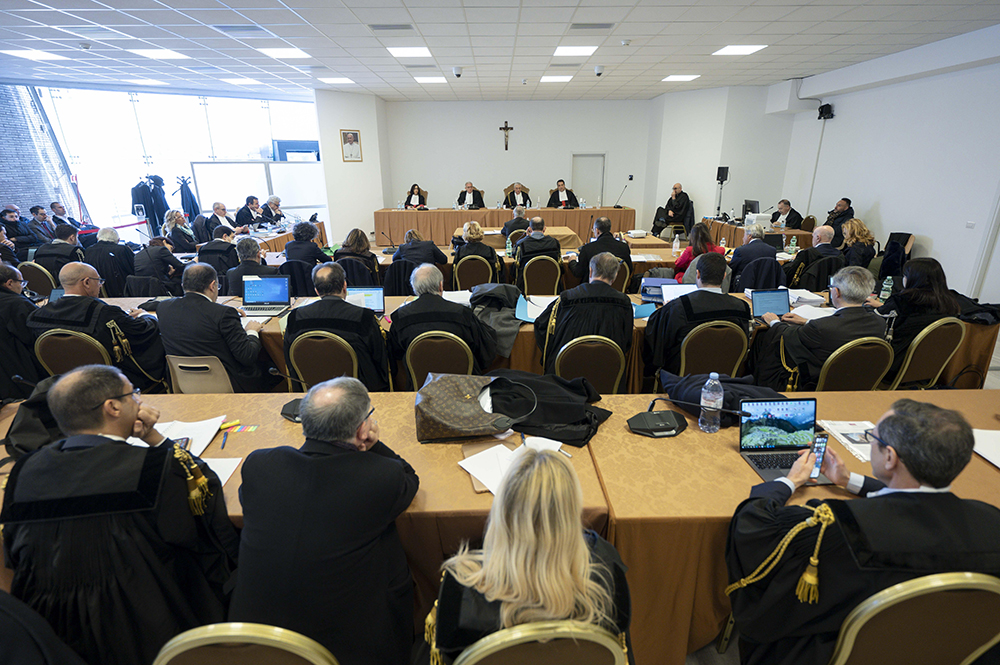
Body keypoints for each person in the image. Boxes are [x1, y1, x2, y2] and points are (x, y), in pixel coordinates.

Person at [726, 399, 1000, 665]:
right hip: (954, 652)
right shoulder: (991, 521)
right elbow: (914, 501)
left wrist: (789, 481)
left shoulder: (837, 527)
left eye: (874, 438)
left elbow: (754, 527)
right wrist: (849, 481)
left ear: (890, 457)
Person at [0, 365, 240, 665]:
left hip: (53, 632)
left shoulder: (24, 470)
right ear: (112, 407)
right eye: (133, 395)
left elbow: (13, 554)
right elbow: (204, 518)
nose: (138, 401)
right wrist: (154, 438)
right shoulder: (155, 468)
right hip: (143, 625)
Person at [229, 377, 417, 665]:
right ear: (362, 429)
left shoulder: (260, 464)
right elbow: (408, 478)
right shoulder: (381, 477)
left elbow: (249, 501)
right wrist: (373, 445)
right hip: (345, 650)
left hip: (255, 645)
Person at [429, 448, 631, 664]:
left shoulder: (460, 587)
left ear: (503, 511)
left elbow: (445, 657)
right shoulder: (607, 572)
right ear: (570, 513)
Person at [27, 262, 166, 390]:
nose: (100, 285)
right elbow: (143, 332)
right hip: (111, 382)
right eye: (99, 281)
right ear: (87, 282)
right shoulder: (104, 313)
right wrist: (145, 315)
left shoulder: (38, 315)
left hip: (66, 385)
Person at [748, 267, 888, 391]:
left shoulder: (822, 328)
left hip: (817, 385)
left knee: (765, 339)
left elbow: (789, 335)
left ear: (836, 292)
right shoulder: (879, 322)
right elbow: (844, 328)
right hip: (859, 384)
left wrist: (774, 322)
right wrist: (806, 321)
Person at [156, 263, 271, 392]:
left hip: (183, 384)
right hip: (230, 384)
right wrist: (251, 331)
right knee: (269, 366)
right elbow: (247, 356)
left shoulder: (163, 308)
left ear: (183, 286)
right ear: (212, 286)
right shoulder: (224, 314)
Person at [283, 263, 390, 392]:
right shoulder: (364, 317)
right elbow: (380, 360)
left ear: (316, 290)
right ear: (345, 286)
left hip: (312, 389)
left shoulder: (295, 317)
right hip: (358, 390)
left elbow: (290, 360)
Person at [387, 264, 498, 383]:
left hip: (419, 386)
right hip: (463, 385)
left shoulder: (400, 317)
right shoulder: (462, 314)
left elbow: (396, 354)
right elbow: (484, 350)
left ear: (414, 288)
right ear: (441, 285)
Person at [644, 252, 750, 375]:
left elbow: (656, 347)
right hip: (726, 376)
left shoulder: (679, 307)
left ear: (698, 273)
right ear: (724, 276)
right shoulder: (741, 308)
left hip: (682, 377)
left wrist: (665, 309)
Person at [534, 252, 633, 374]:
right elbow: (627, 342)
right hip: (607, 372)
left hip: (565, 373)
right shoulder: (624, 303)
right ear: (615, 275)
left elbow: (542, 328)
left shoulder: (566, 298)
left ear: (590, 271)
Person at [866, 257, 962, 383]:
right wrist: (885, 307)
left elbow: (874, 321)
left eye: (904, 276)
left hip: (892, 367)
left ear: (913, 278)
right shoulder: (950, 303)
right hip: (926, 369)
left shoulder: (903, 301)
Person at [0, 264, 45, 400]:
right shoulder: (17, 304)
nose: (22, 287)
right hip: (17, 371)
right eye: (21, 283)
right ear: (9, 283)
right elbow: (34, 336)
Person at [566, 216, 632, 283]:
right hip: (616, 289)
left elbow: (578, 273)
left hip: (592, 291)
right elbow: (629, 270)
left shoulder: (588, 248)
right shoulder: (624, 247)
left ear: (597, 231)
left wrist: (572, 261)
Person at [513, 217, 562, 291]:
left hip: (526, 287)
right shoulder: (554, 243)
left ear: (529, 229)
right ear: (544, 229)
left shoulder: (522, 244)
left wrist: (526, 238)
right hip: (552, 286)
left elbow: (515, 265)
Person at [84, 227, 135, 298]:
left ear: (98, 238)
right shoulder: (123, 250)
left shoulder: (88, 251)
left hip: (98, 292)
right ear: (118, 240)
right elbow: (134, 270)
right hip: (123, 292)